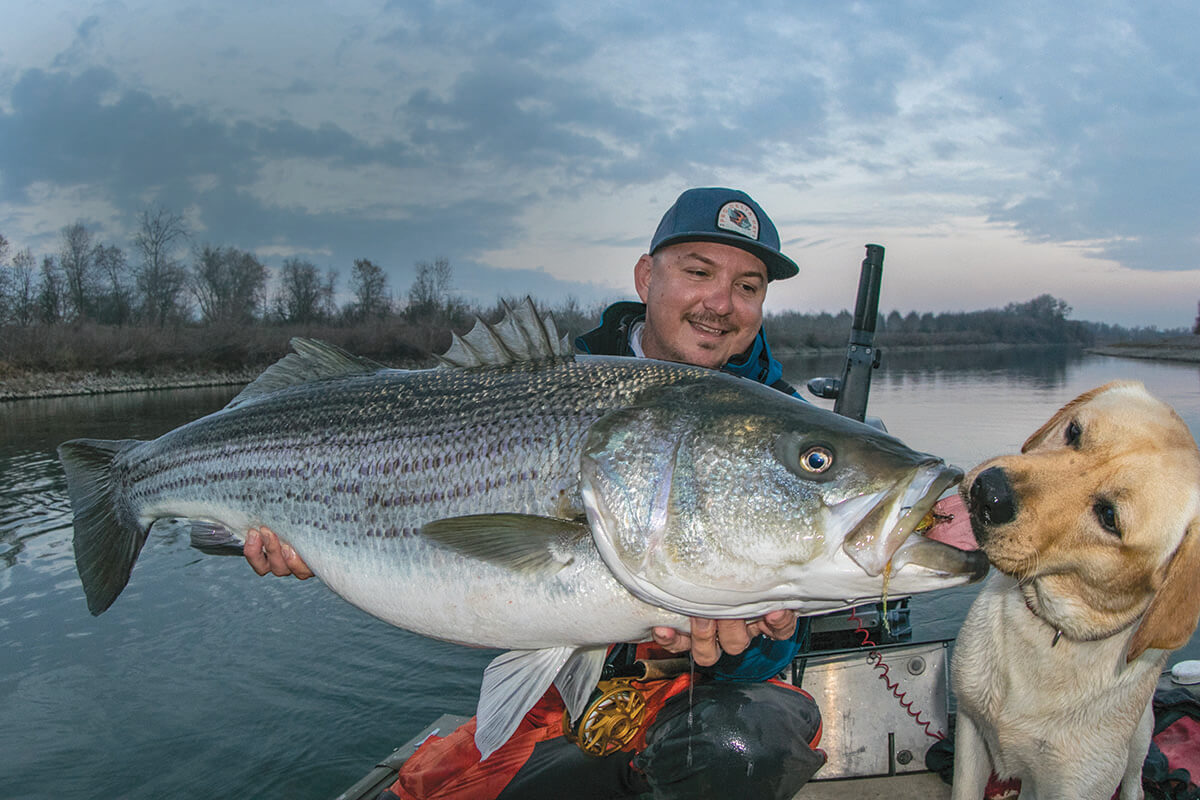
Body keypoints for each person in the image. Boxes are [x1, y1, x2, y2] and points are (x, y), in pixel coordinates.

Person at [244, 188, 826, 799]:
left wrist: (745, 642)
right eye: (698, 272)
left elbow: (795, 619)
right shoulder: (547, 381)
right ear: (646, 276)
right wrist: (313, 531)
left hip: (698, 706)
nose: (720, 303)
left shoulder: (785, 425)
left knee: (746, 745)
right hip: (554, 700)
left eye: (748, 286)